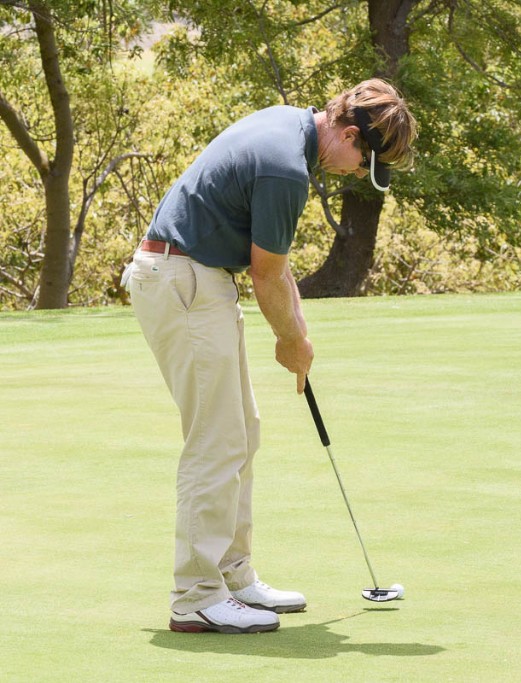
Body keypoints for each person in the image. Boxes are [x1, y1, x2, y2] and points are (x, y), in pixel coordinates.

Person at [123, 79, 417, 634]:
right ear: (350, 133)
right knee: (216, 439)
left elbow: (275, 272)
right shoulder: (285, 169)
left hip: (195, 277)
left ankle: (233, 576)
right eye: (362, 162)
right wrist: (291, 341)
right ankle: (196, 595)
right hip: (182, 278)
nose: (357, 173)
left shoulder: (289, 123)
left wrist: (299, 337)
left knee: (242, 432)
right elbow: (267, 274)